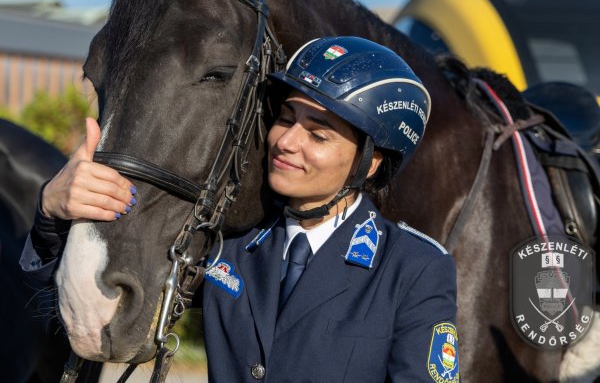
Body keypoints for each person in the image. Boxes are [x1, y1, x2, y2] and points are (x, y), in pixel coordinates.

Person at [21, 36, 459, 382]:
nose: (286, 142)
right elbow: (81, 296)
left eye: (319, 134)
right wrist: (52, 211)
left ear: (372, 161)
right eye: (286, 118)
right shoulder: (227, 247)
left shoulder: (413, 268)